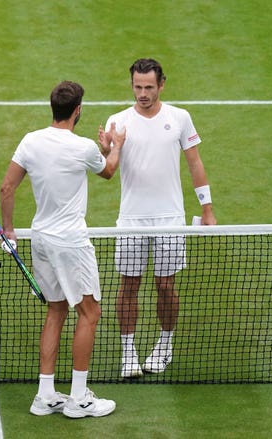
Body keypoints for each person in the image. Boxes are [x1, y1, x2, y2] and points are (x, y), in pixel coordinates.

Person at [0, 81, 125, 418]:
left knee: (57, 310)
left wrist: (9, 230)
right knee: (90, 313)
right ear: (78, 110)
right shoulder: (83, 147)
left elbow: (6, 187)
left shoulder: (30, 141)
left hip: (39, 238)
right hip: (69, 243)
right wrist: (114, 146)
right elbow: (109, 171)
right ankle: (80, 398)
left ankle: (45, 396)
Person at [102, 58, 217, 378]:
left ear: (161, 85)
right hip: (131, 219)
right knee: (129, 285)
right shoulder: (118, 121)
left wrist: (207, 209)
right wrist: (105, 150)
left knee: (165, 285)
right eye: (137, 87)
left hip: (169, 217)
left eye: (149, 87)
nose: (142, 93)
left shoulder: (180, 118)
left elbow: (195, 163)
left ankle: (165, 345)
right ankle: (128, 352)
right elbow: (107, 170)